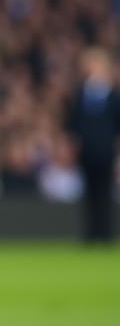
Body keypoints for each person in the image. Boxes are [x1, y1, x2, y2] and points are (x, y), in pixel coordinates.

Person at [65, 47, 120, 243]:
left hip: (106, 153)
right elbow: (73, 123)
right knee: (89, 194)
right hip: (87, 153)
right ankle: (91, 234)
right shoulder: (81, 94)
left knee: (105, 193)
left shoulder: (112, 96)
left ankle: (106, 234)